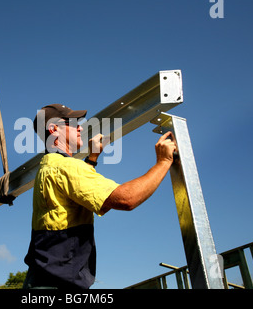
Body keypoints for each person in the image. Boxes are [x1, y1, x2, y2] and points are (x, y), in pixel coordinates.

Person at [23, 103, 177, 289]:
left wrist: (92, 158)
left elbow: (77, 192)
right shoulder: (66, 167)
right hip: (58, 284)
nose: (80, 127)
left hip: (44, 280)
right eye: (72, 122)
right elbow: (126, 199)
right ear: (54, 128)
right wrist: (164, 161)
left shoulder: (50, 165)